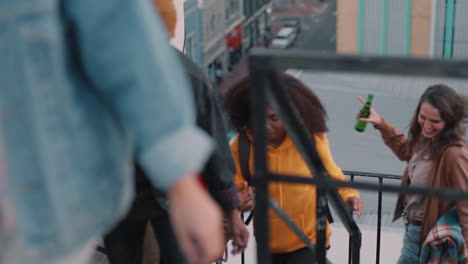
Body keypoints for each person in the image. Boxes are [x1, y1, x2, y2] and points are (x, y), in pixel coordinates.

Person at [0, 0, 224, 263]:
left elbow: (119, 33)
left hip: (48, 212)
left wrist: (184, 184)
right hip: (116, 204)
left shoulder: (189, 76)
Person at [223, 73, 364, 263]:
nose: (265, 126)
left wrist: (349, 196)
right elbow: (235, 184)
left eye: (274, 118)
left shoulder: (311, 140)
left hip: (308, 239)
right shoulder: (242, 145)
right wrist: (238, 201)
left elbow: (331, 172)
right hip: (267, 244)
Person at [356, 84, 468, 263]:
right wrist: (381, 124)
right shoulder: (428, 140)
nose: (427, 125)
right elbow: (407, 151)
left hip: (428, 233)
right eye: (423, 117)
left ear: (449, 121)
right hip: (413, 227)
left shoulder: (455, 153)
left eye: (435, 121)